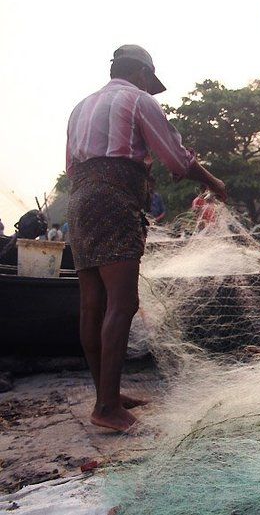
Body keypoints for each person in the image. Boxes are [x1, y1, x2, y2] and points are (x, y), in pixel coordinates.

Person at [66, 44, 227, 432]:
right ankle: (107, 409)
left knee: (93, 304)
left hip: (81, 201)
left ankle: (108, 394)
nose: (149, 87)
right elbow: (176, 158)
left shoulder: (80, 107)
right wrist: (213, 181)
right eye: (148, 80)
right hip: (113, 200)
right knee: (122, 303)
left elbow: (72, 167)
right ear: (140, 73)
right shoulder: (138, 100)